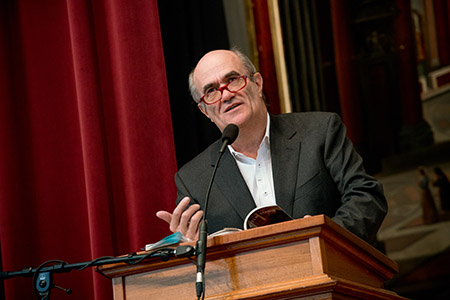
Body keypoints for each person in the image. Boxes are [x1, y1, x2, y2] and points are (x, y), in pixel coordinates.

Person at [156, 48, 387, 244]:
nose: (225, 95)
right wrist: (193, 248)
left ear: (257, 83)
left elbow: (367, 197)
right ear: (205, 110)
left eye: (233, 79)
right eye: (211, 91)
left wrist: (325, 239)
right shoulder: (194, 181)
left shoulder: (320, 131)